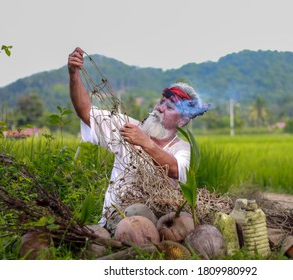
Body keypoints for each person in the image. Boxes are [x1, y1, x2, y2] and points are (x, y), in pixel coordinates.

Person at [68, 47, 210, 229]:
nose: (160, 108)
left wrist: (144, 142)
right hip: (112, 222)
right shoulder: (128, 127)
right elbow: (86, 112)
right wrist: (74, 74)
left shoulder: (183, 148)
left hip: (155, 227)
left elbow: (176, 170)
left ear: (182, 120)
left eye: (170, 107)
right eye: (161, 102)